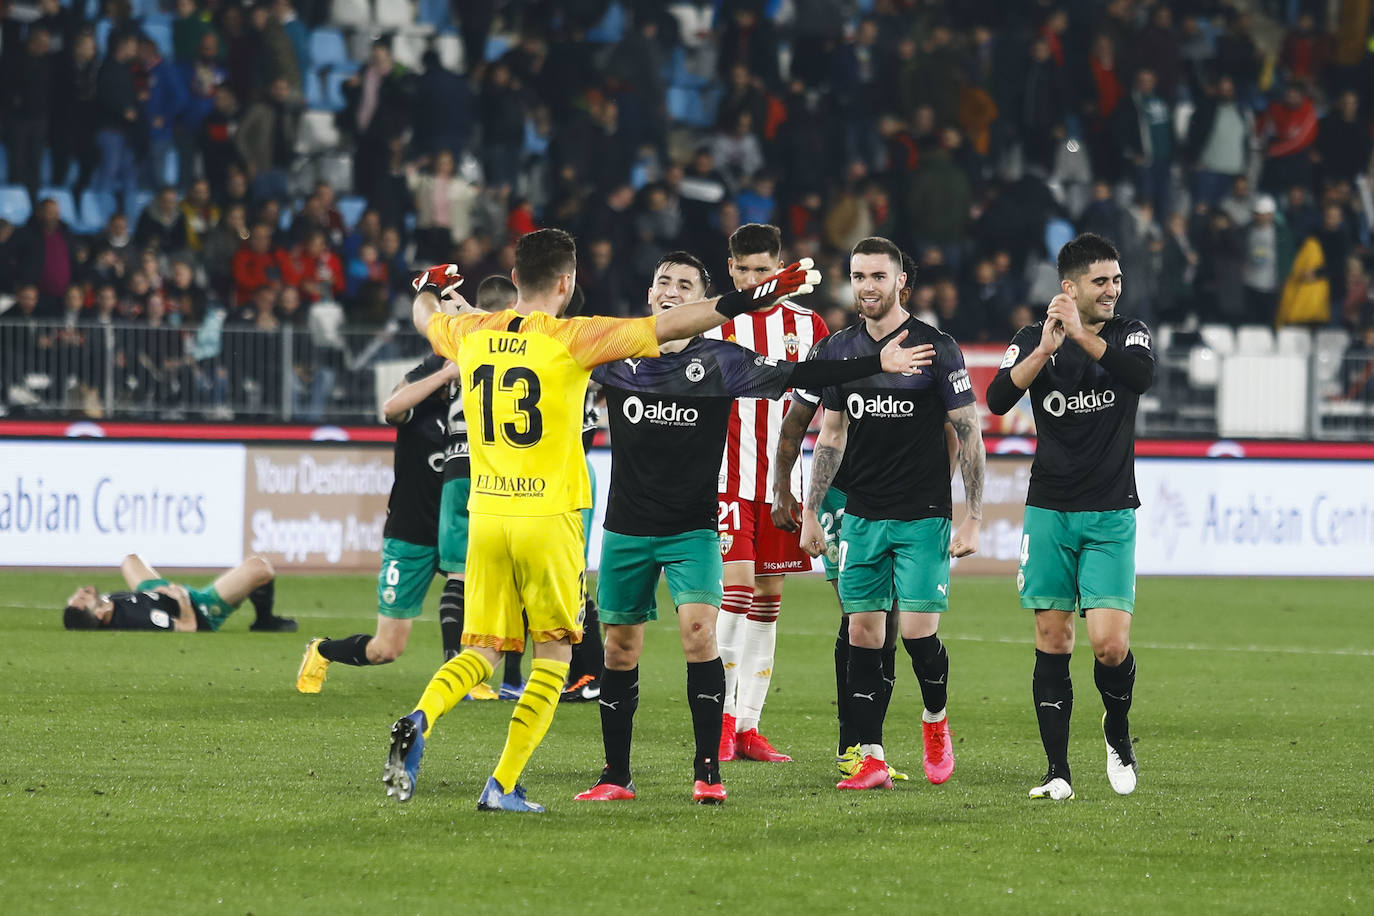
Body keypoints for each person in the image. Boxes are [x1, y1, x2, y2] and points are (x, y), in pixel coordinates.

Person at [382, 228, 820, 813]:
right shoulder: (578, 338)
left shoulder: (470, 331)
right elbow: (671, 327)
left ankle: (420, 716)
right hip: (550, 516)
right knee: (556, 657)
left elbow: (425, 314)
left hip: (485, 515)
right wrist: (751, 299)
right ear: (567, 284)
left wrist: (430, 286)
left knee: (481, 650)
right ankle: (503, 784)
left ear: (513, 280)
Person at [576, 251, 933, 805]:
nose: (671, 290)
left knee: (700, 635)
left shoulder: (719, 360)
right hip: (624, 528)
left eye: (684, 284)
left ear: (700, 300)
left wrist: (873, 363)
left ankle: (708, 774)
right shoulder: (614, 353)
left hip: (692, 527)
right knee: (619, 650)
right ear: (649, 294)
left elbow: (798, 374)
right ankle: (615, 776)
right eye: (662, 281)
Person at [798, 236, 986, 791]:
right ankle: (871, 755)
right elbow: (830, 436)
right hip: (860, 514)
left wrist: (971, 516)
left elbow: (968, 433)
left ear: (901, 281)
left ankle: (934, 720)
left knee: (919, 637)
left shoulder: (936, 347)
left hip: (923, 513)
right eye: (858, 276)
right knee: (862, 633)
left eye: (878, 276)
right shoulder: (840, 352)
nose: (867, 287)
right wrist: (812, 511)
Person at [985, 232, 1152, 801]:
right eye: (1101, 282)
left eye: (1117, 280)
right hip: (1050, 509)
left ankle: (1118, 730)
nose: (1113, 290)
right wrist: (1048, 347)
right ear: (1069, 287)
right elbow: (999, 399)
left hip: (1110, 511)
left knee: (1109, 645)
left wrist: (1082, 335)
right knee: (1052, 638)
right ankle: (1057, 771)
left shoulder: (1130, 333)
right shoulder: (1034, 339)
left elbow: (1140, 377)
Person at [705, 223, 831, 764]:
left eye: (764, 270)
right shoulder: (713, 325)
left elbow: (827, 410)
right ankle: (721, 721)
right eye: (744, 270)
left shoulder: (810, 324)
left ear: (780, 270)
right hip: (726, 479)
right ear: (730, 269)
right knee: (733, 594)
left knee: (767, 602)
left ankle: (749, 726)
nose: (754, 279)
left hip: (781, 486)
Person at [295, 354, 460, 693]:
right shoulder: (421, 409)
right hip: (412, 533)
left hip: (459, 530)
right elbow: (390, 408)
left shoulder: (480, 417)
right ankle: (322, 650)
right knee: (386, 649)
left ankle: (465, 677)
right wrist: (444, 375)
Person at [63, 553, 290, 632]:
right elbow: (188, 627)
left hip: (152, 592)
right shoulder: (141, 618)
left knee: (130, 560)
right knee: (260, 567)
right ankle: (264, 620)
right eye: (84, 598)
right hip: (198, 605)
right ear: (100, 614)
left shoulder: (109, 605)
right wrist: (181, 599)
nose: (83, 590)